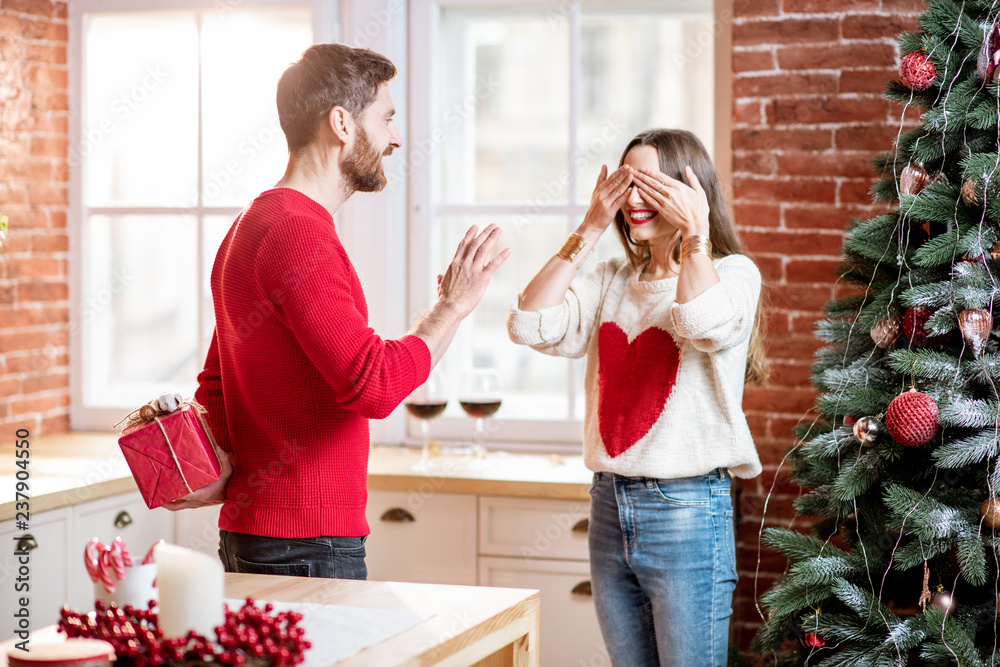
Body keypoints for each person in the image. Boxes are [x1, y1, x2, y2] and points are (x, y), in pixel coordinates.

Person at [163, 44, 510, 581]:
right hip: (306, 543)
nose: (396, 138)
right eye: (387, 118)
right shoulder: (298, 233)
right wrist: (453, 306)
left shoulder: (251, 225)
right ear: (342, 123)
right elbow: (374, 385)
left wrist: (221, 461)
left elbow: (216, 379)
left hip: (260, 533)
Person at [507, 129, 766, 666]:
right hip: (609, 503)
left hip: (688, 510)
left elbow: (700, 319)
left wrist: (695, 237)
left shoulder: (735, 275)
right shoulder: (611, 280)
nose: (634, 199)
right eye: (627, 183)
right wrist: (590, 227)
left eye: (651, 183)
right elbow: (530, 323)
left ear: (692, 192)